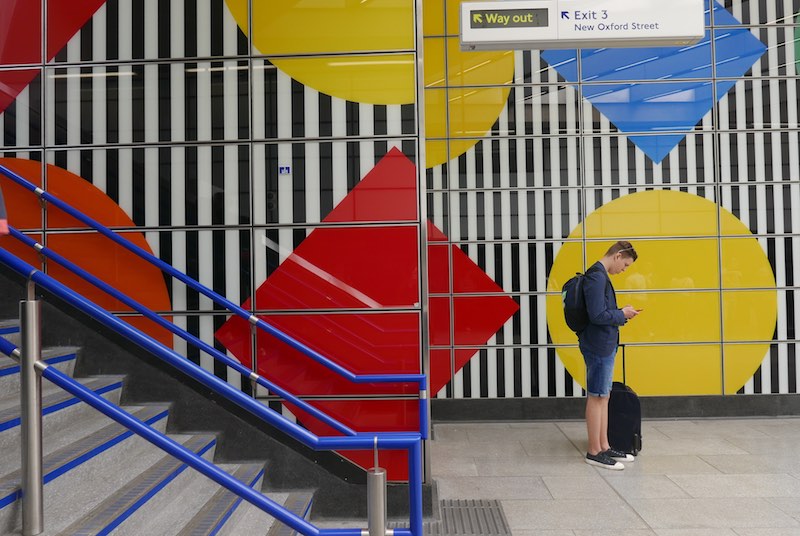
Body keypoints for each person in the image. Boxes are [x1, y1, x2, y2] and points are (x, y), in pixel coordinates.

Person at [581, 241, 639, 470]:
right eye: (624, 265)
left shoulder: (600, 276)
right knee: (596, 396)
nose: (623, 270)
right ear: (618, 255)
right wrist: (621, 314)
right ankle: (594, 451)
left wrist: (619, 313)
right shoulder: (597, 277)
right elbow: (597, 315)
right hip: (598, 345)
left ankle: (604, 446)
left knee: (603, 396)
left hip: (603, 344)